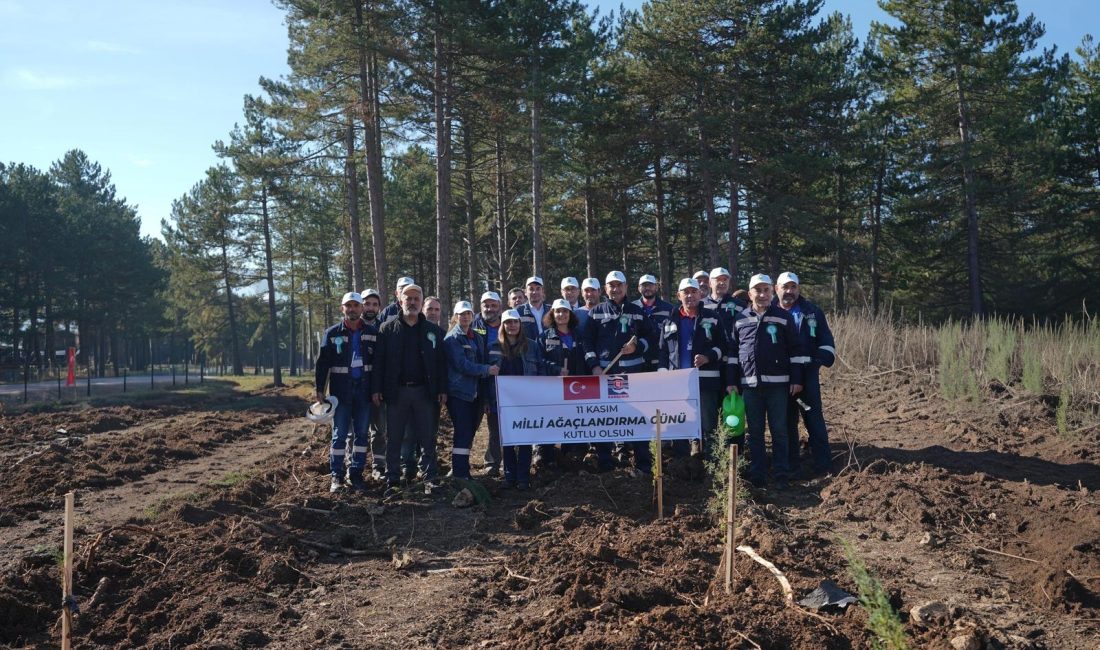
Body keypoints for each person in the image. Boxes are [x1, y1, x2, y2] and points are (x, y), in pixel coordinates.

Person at [729, 274, 808, 490]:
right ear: (750, 292)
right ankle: (758, 474)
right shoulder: (740, 319)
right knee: (754, 432)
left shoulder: (783, 318)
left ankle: (781, 474)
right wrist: (731, 381)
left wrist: (797, 379)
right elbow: (733, 354)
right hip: (750, 387)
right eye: (758, 290)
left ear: (772, 292)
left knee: (780, 430)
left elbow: (796, 352)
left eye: (766, 290)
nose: (762, 295)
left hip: (778, 386)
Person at [372, 283, 448, 496]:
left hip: (425, 392)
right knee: (394, 437)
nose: (412, 302)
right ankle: (393, 479)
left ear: (421, 303)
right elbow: (379, 363)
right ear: (400, 302)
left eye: (416, 299)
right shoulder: (387, 329)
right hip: (396, 393)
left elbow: (441, 364)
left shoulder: (434, 332)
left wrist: (442, 389)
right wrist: (377, 389)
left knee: (427, 437)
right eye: (409, 298)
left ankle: (430, 478)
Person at [584, 270, 658, 473]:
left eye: (619, 285)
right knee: (605, 419)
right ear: (605, 289)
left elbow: (651, 338)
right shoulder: (596, 312)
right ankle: (606, 464)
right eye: (611, 285)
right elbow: (587, 342)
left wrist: (637, 347)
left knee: (637, 419)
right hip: (605, 376)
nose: (615, 289)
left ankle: (643, 465)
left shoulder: (636, 311)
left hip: (633, 376)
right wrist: (594, 366)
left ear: (626, 287)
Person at [657, 279, 732, 461]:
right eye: (686, 292)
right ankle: (683, 465)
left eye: (694, 291)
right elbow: (662, 352)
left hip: (705, 381)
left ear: (700, 294)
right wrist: (663, 376)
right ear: (679, 295)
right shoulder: (669, 320)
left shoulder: (713, 317)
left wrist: (708, 357)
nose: (690, 295)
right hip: (678, 384)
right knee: (681, 425)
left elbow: (725, 345)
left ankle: (711, 465)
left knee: (708, 425)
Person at [775, 271, 836, 477]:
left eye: (793, 287)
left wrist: (816, 361)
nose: (789, 291)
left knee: (812, 418)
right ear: (777, 289)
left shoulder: (812, 312)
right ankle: (791, 466)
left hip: (807, 378)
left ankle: (823, 465)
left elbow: (826, 343)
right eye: (785, 287)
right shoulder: (769, 311)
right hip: (781, 379)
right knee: (787, 422)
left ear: (798, 289)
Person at [315, 292, 376, 493]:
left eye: (356, 306)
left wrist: (377, 390)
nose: (352, 309)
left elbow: (379, 364)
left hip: (364, 391)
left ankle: (356, 474)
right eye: (348, 306)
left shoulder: (372, 333)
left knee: (361, 435)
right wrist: (319, 389)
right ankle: (337, 476)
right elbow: (322, 363)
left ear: (361, 308)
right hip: (341, 392)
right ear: (342, 308)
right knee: (339, 435)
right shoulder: (332, 334)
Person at [444, 301, 499, 480]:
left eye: (468, 313)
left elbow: (482, 358)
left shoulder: (477, 337)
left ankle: (463, 469)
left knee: (469, 432)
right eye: (461, 314)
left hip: (475, 393)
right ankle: (460, 473)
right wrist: (486, 370)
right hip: (459, 393)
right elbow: (462, 365)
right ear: (455, 316)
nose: (465, 317)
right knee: (463, 431)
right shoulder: (452, 338)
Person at [489, 309, 542, 489]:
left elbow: (542, 367)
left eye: (515, 322)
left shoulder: (532, 346)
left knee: (525, 439)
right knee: (508, 440)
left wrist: (558, 370)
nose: (512, 326)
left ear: (520, 325)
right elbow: (488, 378)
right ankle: (509, 477)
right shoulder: (494, 347)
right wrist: (489, 400)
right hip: (503, 400)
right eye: (508, 322)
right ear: (502, 326)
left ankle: (523, 478)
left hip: (526, 399)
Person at [534, 298, 589, 470]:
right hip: (554, 388)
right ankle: (547, 458)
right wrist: (557, 369)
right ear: (552, 315)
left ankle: (572, 455)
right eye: (557, 311)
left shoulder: (579, 335)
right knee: (553, 421)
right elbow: (539, 361)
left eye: (565, 311)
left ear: (570, 314)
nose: (561, 315)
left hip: (577, 387)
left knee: (574, 420)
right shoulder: (544, 337)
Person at [473, 291, 504, 477]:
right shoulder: (473, 323)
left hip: (499, 384)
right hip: (476, 382)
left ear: (499, 307)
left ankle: (492, 463)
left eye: (493, 305)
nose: (489, 309)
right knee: (469, 426)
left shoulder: (508, 324)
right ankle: (459, 463)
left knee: (496, 427)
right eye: (486, 305)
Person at [359, 288, 387, 478]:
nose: (371, 307)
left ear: (379, 307)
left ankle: (378, 466)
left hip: (379, 388)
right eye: (367, 303)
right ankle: (355, 467)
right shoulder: (353, 327)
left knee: (379, 430)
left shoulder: (384, 329)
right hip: (357, 388)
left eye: (374, 304)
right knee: (357, 432)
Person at [633, 273, 675, 370]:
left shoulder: (669, 308)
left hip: (662, 361)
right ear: (639, 288)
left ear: (656, 287)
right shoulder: (632, 308)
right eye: (644, 285)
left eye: (650, 285)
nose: (647, 288)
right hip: (638, 362)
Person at [517, 276, 547, 340]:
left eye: (538, 289)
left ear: (543, 291)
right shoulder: (518, 312)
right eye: (531, 289)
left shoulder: (551, 311)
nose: (534, 292)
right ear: (525, 292)